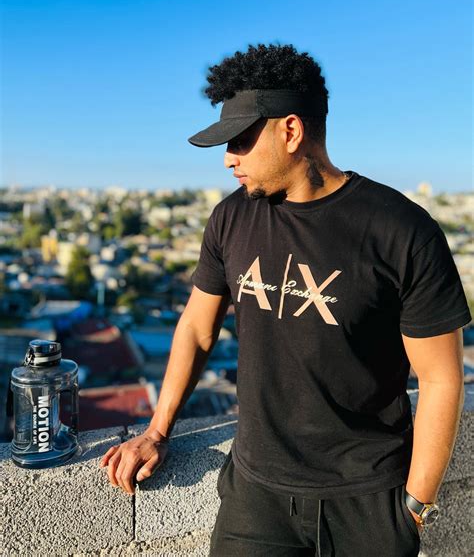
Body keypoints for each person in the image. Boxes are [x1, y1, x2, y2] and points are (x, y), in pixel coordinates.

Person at [100, 44, 471, 556]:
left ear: (290, 131)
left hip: (367, 501)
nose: (228, 159)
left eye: (240, 140)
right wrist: (157, 431)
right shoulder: (230, 219)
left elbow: (441, 377)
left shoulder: (401, 231)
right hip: (256, 498)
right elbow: (197, 329)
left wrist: (414, 508)